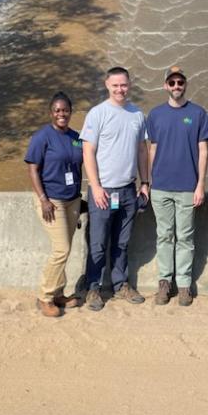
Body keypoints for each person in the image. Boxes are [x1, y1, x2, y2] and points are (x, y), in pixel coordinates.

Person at [80, 66, 149, 311]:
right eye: (116, 85)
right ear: (107, 85)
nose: (120, 89)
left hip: (129, 191)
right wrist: (95, 187)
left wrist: (145, 183)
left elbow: (142, 150)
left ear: (130, 85)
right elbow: (87, 151)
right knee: (97, 243)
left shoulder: (137, 114)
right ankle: (93, 287)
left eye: (124, 85)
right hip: (104, 191)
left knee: (122, 242)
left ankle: (121, 285)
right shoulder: (97, 113)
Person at [146, 66, 208, 306]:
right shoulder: (155, 115)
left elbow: (203, 151)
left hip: (187, 188)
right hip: (160, 187)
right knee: (164, 236)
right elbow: (151, 149)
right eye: (171, 83)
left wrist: (199, 185)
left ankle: (184, 284)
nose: (176, 86)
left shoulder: (198, 114)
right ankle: (164, 282)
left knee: (185, 237)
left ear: (185, 84)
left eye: (180, 82)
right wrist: (148, 182)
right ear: (165, 85)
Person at [25, 92, 84, 318]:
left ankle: (59, 293)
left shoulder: (76, 137)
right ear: (51, 113)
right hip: (52, 201)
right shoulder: (42, 137)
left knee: (65, 249)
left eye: (65, 110)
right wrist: (43, 199)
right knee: (61, 250)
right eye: (57, 110)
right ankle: (45, 296)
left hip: (72, 200)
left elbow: (81, 165)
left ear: (70, 112)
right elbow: (32, 169)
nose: (62, 114)